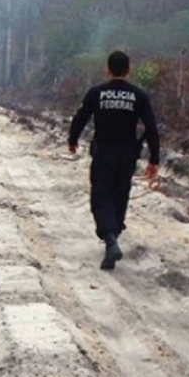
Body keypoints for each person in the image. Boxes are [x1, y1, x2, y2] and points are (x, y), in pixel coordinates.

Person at [68, 50, 160, 270]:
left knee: (101, 196)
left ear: (107, 69)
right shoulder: (138, 95)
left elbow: (80, 118)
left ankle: (110, 239)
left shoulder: (96, 93)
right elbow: (151, 128)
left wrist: (73, 139)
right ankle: (114, 235)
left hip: (103, 154)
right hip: (128, 156)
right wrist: (154, 159)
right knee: (120, 195)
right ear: (129, 70)